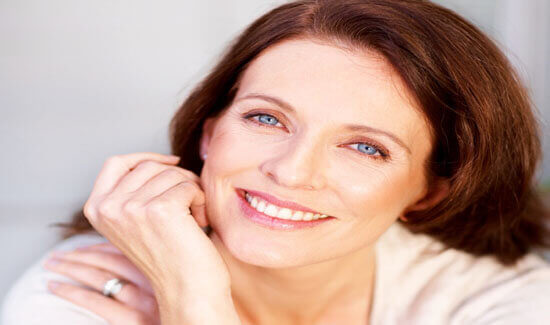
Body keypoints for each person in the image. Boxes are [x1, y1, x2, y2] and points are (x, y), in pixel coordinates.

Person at [2, 0, 550, 324]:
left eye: (366, 147)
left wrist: (196, 308)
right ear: (211, 134)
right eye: (267, 119)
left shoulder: (494, 302)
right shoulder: (83, 292)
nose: (290, 172)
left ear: (428, 192)